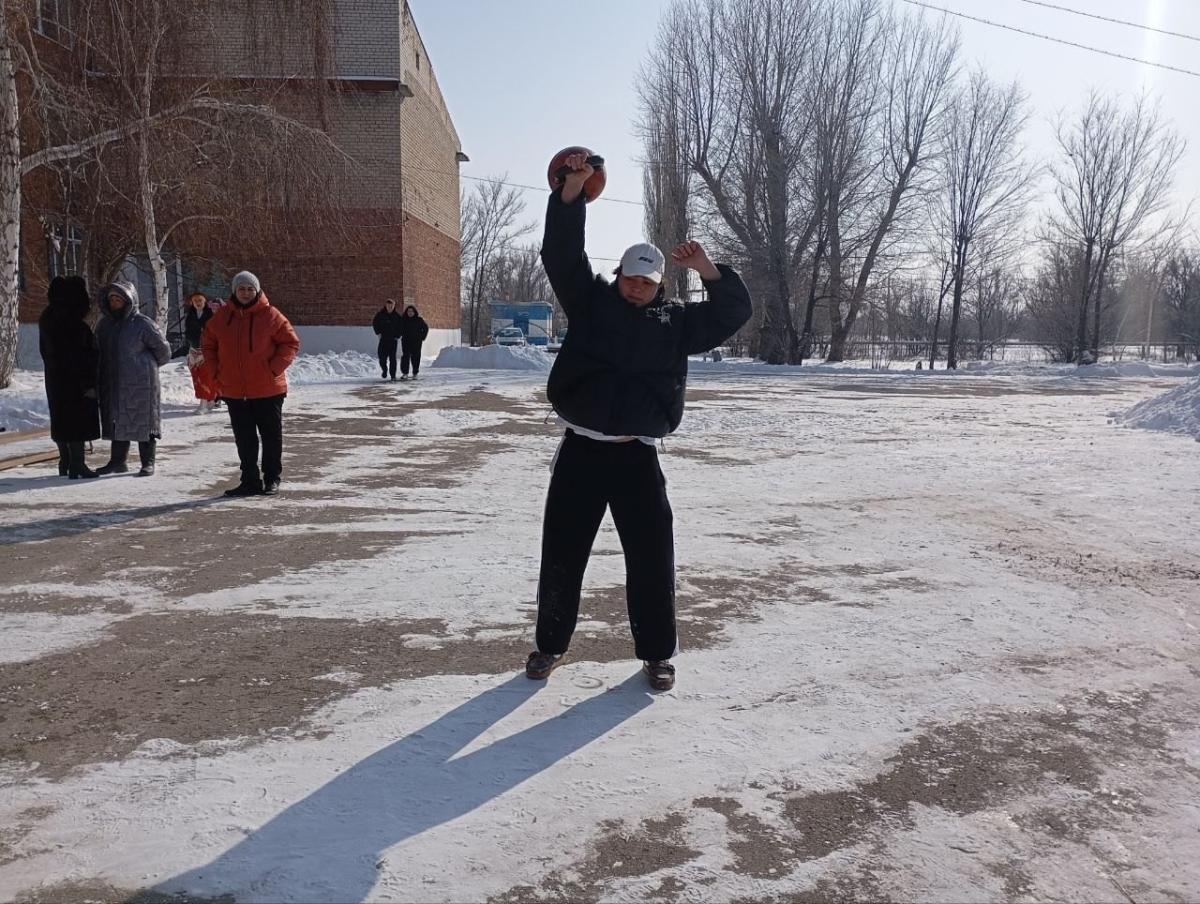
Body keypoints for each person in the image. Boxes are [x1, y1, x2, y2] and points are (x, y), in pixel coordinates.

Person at [527, 152, 752, 691]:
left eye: (648, 281)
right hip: (581, 450)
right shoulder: (590, 305)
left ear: (660, 284)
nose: (637, 287)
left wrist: (707, 270)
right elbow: (560, 253)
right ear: (619, 274)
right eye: (630, 277)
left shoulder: (677, 323)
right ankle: (549, 645)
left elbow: (731, 314)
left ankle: (657, 654)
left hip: (636, 455)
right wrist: (573, 192)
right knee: (563, 553)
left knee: (652, 558)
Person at [200, 271, 300, 497]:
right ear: (234, 291)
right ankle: (249, 480)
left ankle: (272, 478)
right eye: (241, 289)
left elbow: (290, 343)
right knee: (244, 439)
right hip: (235, 391)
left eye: (249, 289)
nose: (245, 293)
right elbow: (208, 345)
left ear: (257, 291)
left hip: (268, 390)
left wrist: (273, 369)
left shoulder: (271, 315)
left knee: (271, 436)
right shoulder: (222, 318)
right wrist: (217, 372)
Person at [95, 281, 172, 477]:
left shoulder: (142, 324)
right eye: (111, 299)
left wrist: (145, 368)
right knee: (117, 419)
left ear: (129, 300)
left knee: (143, 421)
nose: (114, 302)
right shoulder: (105, 325)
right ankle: (117, 461)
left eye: (119, 299)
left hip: (141, 383)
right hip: (114, 381)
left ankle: (148, 462)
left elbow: (163, 351)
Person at [39, 275, 101, 479]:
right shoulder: (75, 325)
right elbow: (82, 355)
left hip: (55, 379)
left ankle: (65, 461)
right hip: (78, 381)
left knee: (61, 418)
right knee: (77, 420)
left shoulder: (47, 319)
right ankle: (77, 464)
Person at [184, 292, 220, 413]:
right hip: (194, 350)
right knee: (196, 377)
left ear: (205, 301)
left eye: (200, 300)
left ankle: (204, 402)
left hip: (208, 350)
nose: (198, 303)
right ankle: (211, 399)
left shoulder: (211, 314)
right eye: (195, 301)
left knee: (206, 376)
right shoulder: (190, 315)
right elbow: (187, 332)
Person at [372, 298, 403, 381]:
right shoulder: (380, 314)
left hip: (393, 340)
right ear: (386, 305)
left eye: (391, 306)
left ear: (394, 306)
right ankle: (384, 370)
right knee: (382, 357)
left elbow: (401, 327)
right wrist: (378, 333)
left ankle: (393, 376)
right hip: (383, 339)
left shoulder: (397, 316)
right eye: (388, 305)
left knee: (392, 359)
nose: (390, 307)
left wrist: (398, 336)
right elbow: (375, 323)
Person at [399, 304, 429, 381]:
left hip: (416, 342)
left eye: (411, 311)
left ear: (414, 312)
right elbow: (399, 328)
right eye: (408, 311)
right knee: (405, 356)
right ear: (406, 312)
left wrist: (422, 337)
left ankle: (415, 373)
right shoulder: (403, 320)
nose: (410, 313)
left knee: (416, 357)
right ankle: (405, 373)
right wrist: (399, 334)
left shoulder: (419, 320)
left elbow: (425, 328)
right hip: (406, 341)